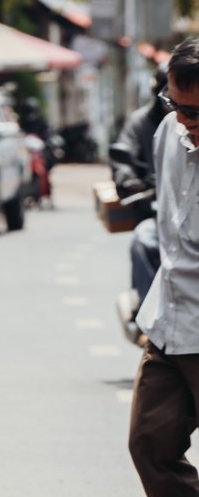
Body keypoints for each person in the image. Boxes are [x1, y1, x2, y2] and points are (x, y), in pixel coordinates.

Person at [129, 38, 199, 496]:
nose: (182, 120)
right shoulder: (167, 135)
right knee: (149, 445)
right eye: (174, 104)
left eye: (193, 112)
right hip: (171, 325)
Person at [110, 63, 169, 312]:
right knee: (144, 240)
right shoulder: (141, 122)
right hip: (157, 212)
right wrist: (130, 180)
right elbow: (123, 156)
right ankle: (150, 315)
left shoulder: (189, 124)